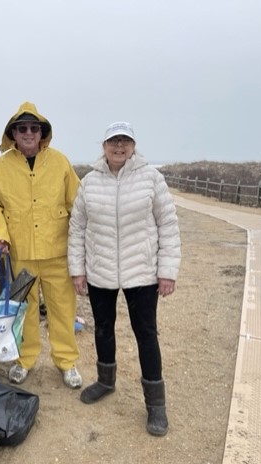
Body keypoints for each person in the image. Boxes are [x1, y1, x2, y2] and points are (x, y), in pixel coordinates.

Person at [67, 121, 181, 436]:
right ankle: (105, 380)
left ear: (133, 146)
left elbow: (168, 224)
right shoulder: (89, 182)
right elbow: (77, 227)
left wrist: (167, 271)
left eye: (125, 141)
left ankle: (156, 405)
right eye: (113, 142)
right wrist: (78, 269)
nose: (119, 147)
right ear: (103, 146)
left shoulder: (151, 178)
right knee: (103, 328)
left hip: (141, 271)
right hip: (100, 270)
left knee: (146, 334)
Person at [0, 102, 82, 389]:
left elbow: (78, 203)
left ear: (42, 132)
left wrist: (82, 241)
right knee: (24, 309)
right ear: (13, 132)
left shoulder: (60, 163)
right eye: (21, 128)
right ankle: (25, 360)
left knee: (63, 309)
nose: (28, 133)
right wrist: (0, 234)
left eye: (34, 128)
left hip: (57, 252)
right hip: (19, 253)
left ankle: (67, 361)